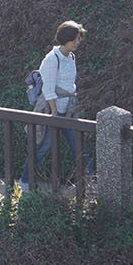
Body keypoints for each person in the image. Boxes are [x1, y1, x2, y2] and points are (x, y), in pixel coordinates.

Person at [34, 20, 88, 181]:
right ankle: (25, 180)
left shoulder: (71, 57)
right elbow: (48, 89)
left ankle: (91, 182)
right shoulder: (52, 59)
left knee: (79, 148)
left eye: (79, 38)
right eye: (75, 39)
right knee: (42, 148)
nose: (78, 42)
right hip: (53, 111)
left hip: (69, 110)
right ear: (66, 39)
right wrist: (54, 114)